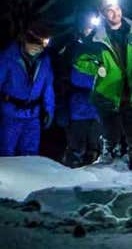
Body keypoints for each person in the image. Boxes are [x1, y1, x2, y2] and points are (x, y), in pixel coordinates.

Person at [73, 0, 132, 165]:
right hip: (107, 93)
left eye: (117, 8)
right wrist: (98, 68)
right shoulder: (95, 37)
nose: (115, 13)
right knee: (110, 135)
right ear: (103, 14)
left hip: (131, 91)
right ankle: (107, 169)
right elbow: (78, 61)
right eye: (110, 10)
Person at [0, 22, 55, 157]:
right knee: (6, 154)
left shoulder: (44, 61)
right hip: (10, 115)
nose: (39, 50)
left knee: (30, 155)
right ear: (25, 41)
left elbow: (48, 87)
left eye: (41, 47)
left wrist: (49, 110)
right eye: (36, 46)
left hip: (33, 116)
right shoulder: (8, 58)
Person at [63, 14, 101, 167]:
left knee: (95, 145)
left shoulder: (103, 46)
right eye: (88, 27)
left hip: (97, 105)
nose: (90, 31)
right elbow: (65, 74)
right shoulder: (72, 48)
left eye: (93, 28)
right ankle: (71, 170)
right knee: (76, 145)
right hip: (77, 104)